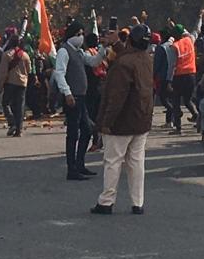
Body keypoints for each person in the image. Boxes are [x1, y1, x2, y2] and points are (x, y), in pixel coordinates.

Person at [91, 25, 153, 215]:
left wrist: (105, 122)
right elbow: (129, 55)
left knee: (113, 161)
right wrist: (116, 43)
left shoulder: (122, 65)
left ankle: (107, 201)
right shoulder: (146, 59)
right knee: (136, 162)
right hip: (141, 118)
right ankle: (138, 202)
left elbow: (116, 97)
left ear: (131, 40)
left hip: (121, 121)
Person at [55, 21, 105, 181]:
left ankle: (79, 164)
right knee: (73, 133)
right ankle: (72, 169)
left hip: (81, 98)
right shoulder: (64, 51)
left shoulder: (79, 52)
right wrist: (67, 92)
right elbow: (59, 73)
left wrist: (103, 48)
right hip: (72, 97)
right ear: (71, 35)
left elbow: (94, 61)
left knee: (87, 130)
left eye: (82, 34)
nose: (81, 37)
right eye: (78, 34)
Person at [0, 35, 30, 137]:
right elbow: (29, 69)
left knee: (5, 103)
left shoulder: (6, 55)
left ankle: (12, 122)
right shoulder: (25, 55)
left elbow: (3, 72)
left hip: (10, 82)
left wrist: (0, 86)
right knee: (19, 106)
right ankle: (19, 130)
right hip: (22, 83)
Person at [168, 24, 198, 134]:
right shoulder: (190, 40)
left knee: (176, 102)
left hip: (179, 76)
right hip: (191, 75)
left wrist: (169, 80)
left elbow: (172, 65)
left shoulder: (174, 46)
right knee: (188, 100)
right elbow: (195, 31)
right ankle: (197, 117)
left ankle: (178, 128)